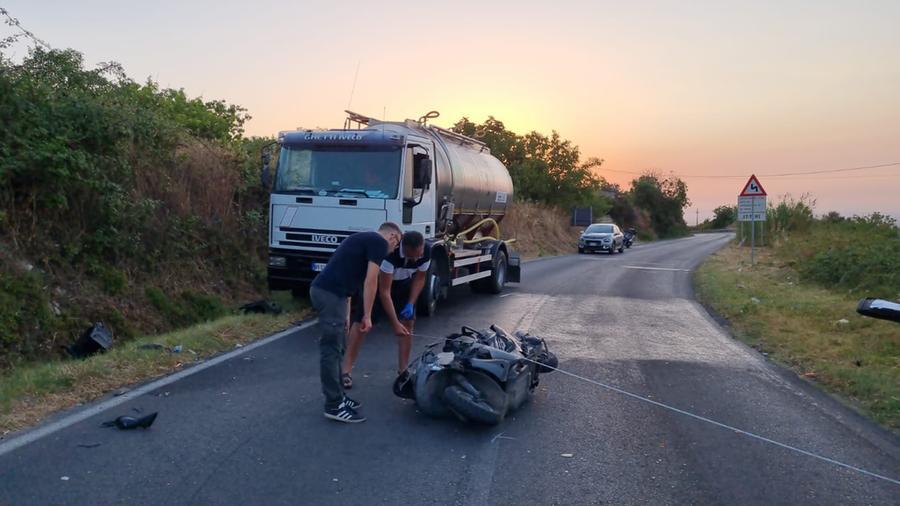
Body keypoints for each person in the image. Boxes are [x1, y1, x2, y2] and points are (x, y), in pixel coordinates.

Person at [309, 222, 402, 423]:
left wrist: (347, 316)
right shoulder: (378, 242)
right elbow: (371, 281)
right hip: (330, 294)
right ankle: (333, 405)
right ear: (392, 236)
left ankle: (339, 396)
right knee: (331, 350)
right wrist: (367, 315)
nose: (393, 250)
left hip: (334, 295)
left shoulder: (363, 240)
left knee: (339, 347)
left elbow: (348, 276)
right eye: (396, 245)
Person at [342, 231, 431, 389]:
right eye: (413, 256)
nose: (417, 259)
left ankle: (403, 371)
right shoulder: (390, 253)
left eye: (420, 254)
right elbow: (384, 292)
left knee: (408, 323)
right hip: (377, 286)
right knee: (362, 324)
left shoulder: (426, 251)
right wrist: (395, 324)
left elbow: (420, 278)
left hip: (404, 284)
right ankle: (346, 371)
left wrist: (411, 303)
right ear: (405, 248)